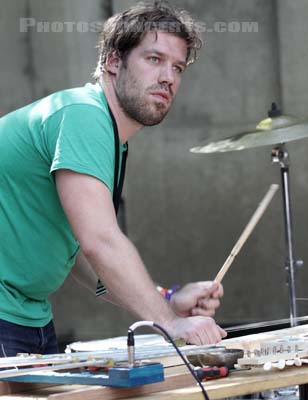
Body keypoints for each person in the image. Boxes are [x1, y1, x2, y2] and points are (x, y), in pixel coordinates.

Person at [0, 2, 227, 357]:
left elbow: (80, 255)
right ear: (113, 61)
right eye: (154, 59)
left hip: (27, 313)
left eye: (177, 67)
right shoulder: (82, 116)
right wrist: (167, 321)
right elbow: (100, 242)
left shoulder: (107, 137)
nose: (168, 77)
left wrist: (165, 299)